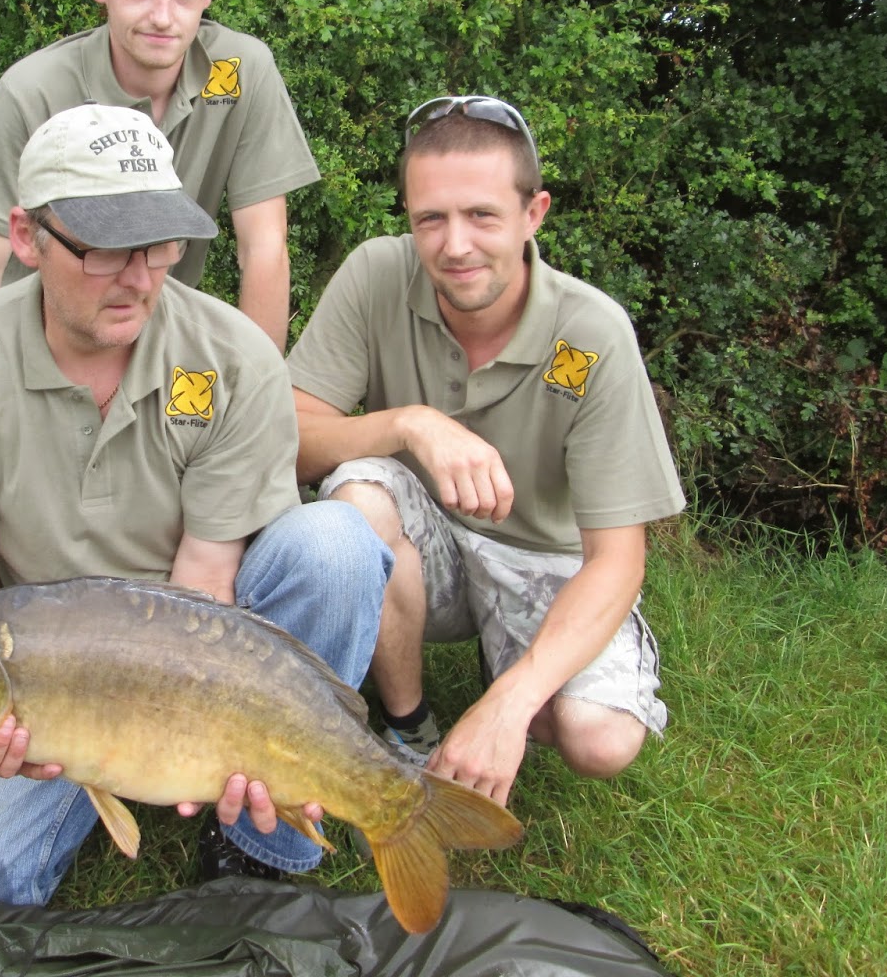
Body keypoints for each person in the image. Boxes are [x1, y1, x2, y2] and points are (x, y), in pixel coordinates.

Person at [0, 102, 392, 904]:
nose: (139, 278)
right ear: (26, 236)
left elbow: (207, 581)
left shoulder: (234, 358)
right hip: (49, 673)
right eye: (104, 250)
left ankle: (261, 843)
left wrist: (179, 734)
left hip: (197, 649)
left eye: (160, 245)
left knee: (334, 543)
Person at [288, 96, 685, 808]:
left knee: (599, 740)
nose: (455, 245)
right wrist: (409, 424)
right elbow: (289, 439)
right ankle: (408, 725)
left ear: (535, 213)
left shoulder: (593, 333)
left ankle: (511, 677)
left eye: (482, 216)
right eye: (430, 219)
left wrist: (513, 699)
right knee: (356, 496)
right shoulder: (376, 275)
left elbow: (619, 558)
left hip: (542, 559)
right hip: (425, 542)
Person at [0, 0, 318, 350]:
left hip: (149, 335)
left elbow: (264, 248)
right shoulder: (32, 92)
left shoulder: (241, 72)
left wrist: (258, 386)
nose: (162, 16)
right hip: (36, 340)